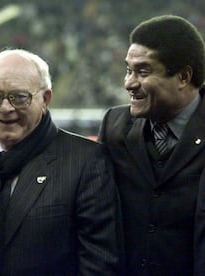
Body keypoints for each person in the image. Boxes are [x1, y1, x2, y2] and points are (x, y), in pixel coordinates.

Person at [0, 49, 123, 275]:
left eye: (19, 97)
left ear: (45, 99)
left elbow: (99, 265)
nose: (5, 107)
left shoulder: (85, 162)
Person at [98, 15, 205, 275]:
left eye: (143, 71)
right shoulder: (114, 125)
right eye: (128, 70)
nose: (129, 83)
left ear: (183, 76)